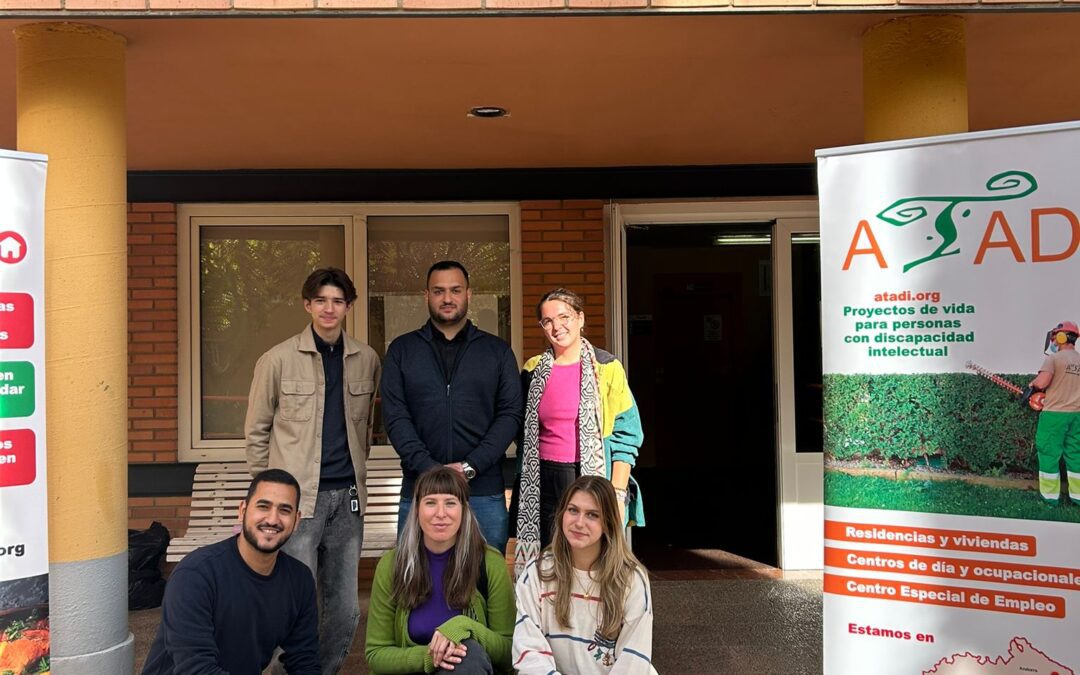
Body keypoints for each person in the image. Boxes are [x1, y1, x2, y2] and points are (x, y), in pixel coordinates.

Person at [245, 267, 381, 674]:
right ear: (307, 305)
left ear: (349, 307)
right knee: (295, 600)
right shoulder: (277, 359)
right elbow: (256, 432)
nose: (329, 308)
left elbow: (366, 430)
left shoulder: (367, 359)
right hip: (298, 502)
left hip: (349, 500)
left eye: (338, 301)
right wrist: (268, 497)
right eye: (321, 300)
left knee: (343, 608)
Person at [381, 260, 522, 554]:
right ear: (426, 296)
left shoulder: (497, 352)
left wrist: (470, 466)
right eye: (439, 291)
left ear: (468, 294)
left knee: (485, 581)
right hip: (420, 489)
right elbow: (395, 417)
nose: (447, 298)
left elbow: (510, 415)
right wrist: (431, 470)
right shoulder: (402, 351)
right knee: (417, 584)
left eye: (455, 290)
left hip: (482, 492)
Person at [513, 288, 644, 578]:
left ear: (580, 318)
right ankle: (545, 620)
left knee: (590, 564)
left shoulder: (607, 367)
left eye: (564, 317)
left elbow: (627, 434)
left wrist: (618, 494)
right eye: (547, 321)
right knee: (548, 564)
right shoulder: (532, 369)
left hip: (589, 479)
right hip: (542, 481)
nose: (557, 326)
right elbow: (520, 431)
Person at [141, 469, 319, 675]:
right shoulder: (195, 575)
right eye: (263, 506)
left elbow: (305, 660)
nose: (272, 519)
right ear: (242, 510)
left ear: (296, 521)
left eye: (284, 510)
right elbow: (196, 669)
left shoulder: (299, 580)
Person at [365, 466, 515, 674]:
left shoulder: (489, 563)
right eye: (430, 503)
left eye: (451, 503)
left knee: (467, 654)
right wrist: (431, 655)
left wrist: (465, 627)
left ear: (464, 510)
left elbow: (509, 653)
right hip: (410, 671)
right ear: (417, 510)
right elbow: (376, 654)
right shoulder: (392, 564)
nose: (440, 514)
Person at [512, 476, 656, 675]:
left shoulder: (631, 578)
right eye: (573, 510)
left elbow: (633, 660)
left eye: (592, 515)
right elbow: (529, 650)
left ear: (608, 523)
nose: (579, 522)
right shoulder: (537, 572)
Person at [1028, 320, 1080, 503]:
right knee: (1075, 454)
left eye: (1056, 336)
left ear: (1061, 336)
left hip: (1055, 414)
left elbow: (1042, 383)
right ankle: (1078, 496)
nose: (1054, 341)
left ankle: (1050, 497)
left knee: (1049, 452)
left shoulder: (1054, 359)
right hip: (1077, 415)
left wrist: (1032, 384)